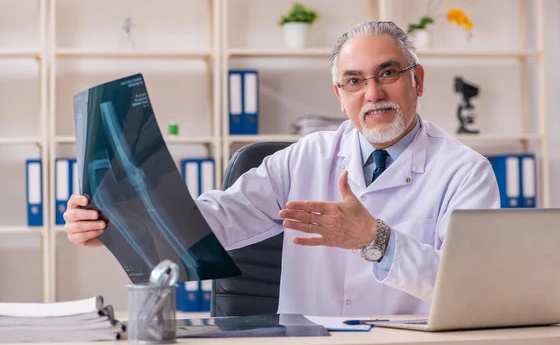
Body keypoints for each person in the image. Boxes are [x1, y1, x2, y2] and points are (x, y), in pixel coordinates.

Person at [63, 21, 500, 316]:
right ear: (339, 93)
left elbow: (475, 288)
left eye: (388, 73)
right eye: (354, 80)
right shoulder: (307, 157)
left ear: (417, 80)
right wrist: (118, 223)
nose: (372, 93)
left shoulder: (465, 172)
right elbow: (216, 220)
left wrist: (377, 240)